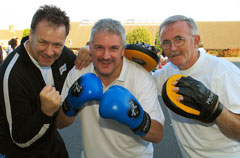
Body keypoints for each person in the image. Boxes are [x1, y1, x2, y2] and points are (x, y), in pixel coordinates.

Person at [56, 18, 165, 158]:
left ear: (123, 51)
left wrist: (137, 118)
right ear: (90, 47)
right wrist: (70, 104)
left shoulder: (140, 77)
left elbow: (157, 135)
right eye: (99, 47)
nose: (106, 56)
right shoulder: (79, 72)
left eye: (113, 48)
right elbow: (60, 123)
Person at [0, 5, 91, 158]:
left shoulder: (63, 55)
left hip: (51, 143)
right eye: (43, 42)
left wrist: (88, 53)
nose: (49, 52)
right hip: (19, 151)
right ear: (31, 35)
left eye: (57, 45)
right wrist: (45, 113)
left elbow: (81, 66)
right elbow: (20, 139)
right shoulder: (12, 75)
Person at [153, 15, 240, 158]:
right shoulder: (167, 71)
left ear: (196, 41)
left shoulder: (224, 72)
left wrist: (216, 109)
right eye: (166, 42)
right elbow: (140, 81)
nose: (173, 48)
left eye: (179, 39)